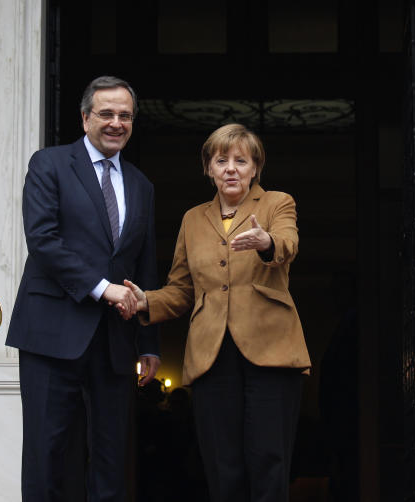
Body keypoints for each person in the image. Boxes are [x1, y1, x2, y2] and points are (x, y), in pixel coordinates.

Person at [125, 123, 311, 502]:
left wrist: (266, 241)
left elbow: (288, 243)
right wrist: (146, 302)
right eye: (221, 160)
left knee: (268, 462)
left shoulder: (277, 203)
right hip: (211, 355)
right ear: (208, 168)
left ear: (255, 168)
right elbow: (181, 290)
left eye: (241, 161)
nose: (231, 168)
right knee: (221, 466)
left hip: (271, 350)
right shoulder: (193, 219)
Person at [6, 75, 160, 502]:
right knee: (46, 452)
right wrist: (101, 288)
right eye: (106, 113)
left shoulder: (141, 186)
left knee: (111, 456)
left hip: (115, 340)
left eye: (125, 115)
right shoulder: (49, 163)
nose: (116, 123)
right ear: (85, 117)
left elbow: (143, 265)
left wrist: (149, 341)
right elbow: (43, 240)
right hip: (51, 332)